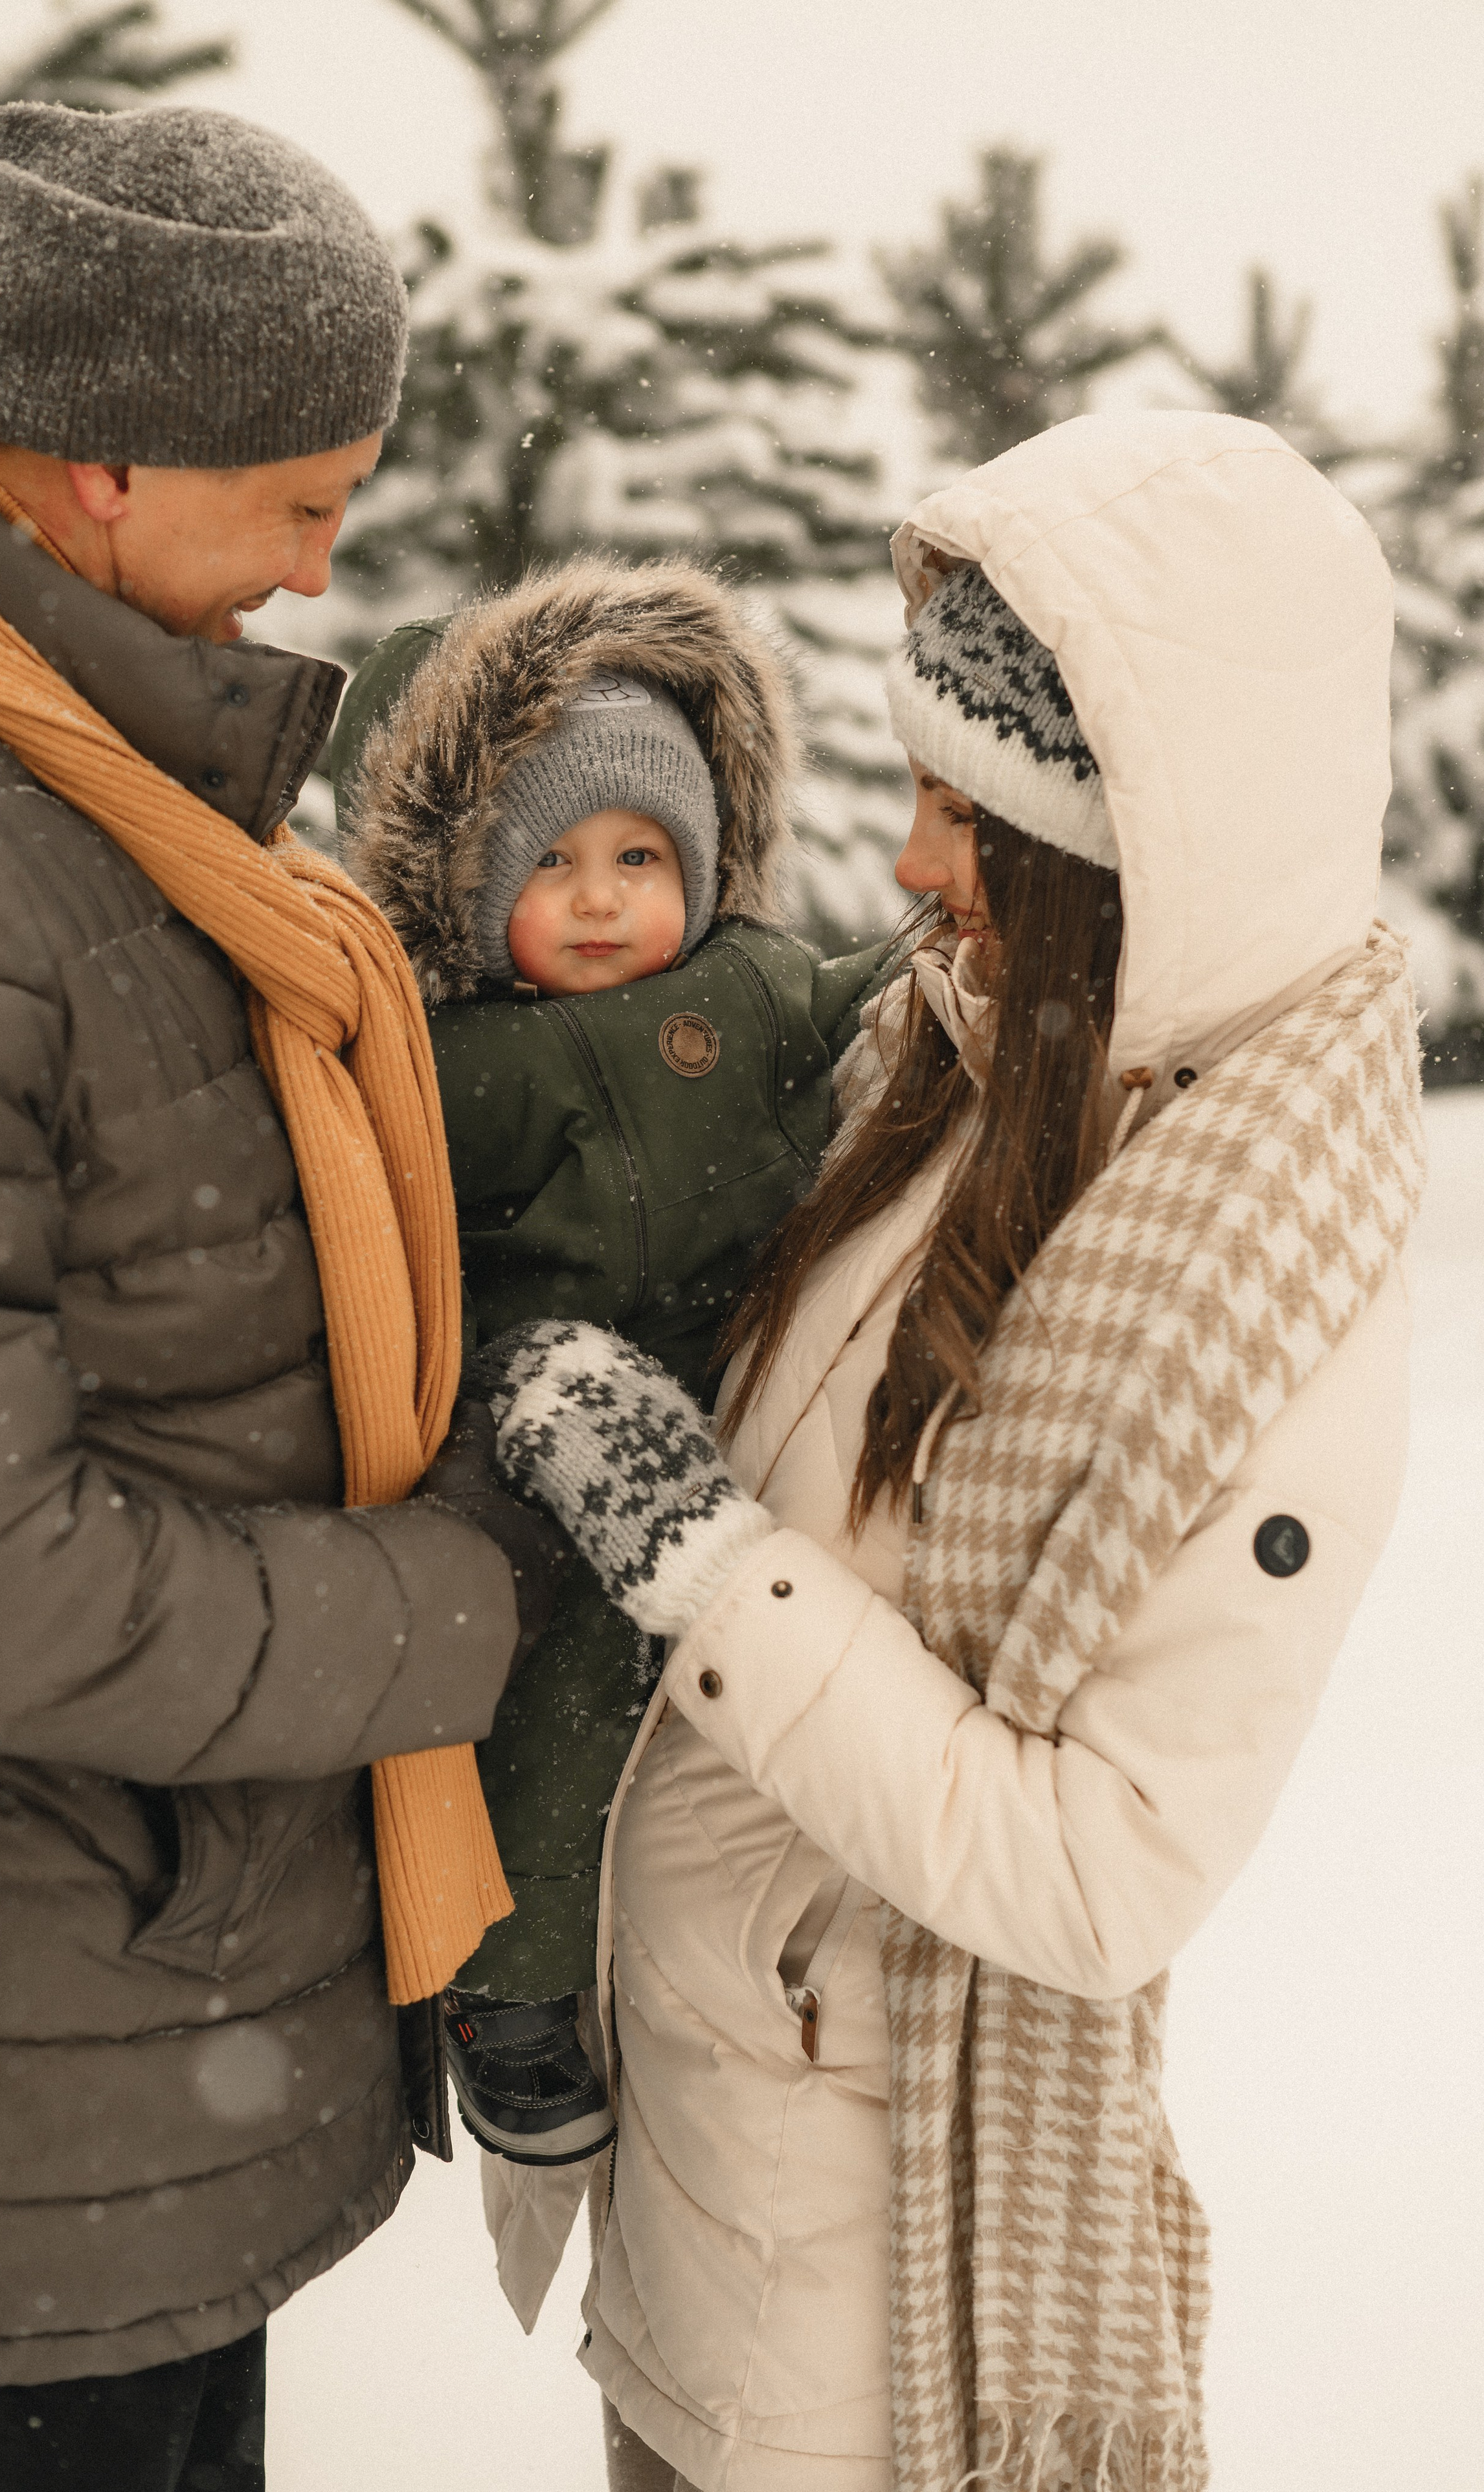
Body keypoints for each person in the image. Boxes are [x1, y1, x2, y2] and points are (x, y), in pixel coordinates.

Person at [467, 411, 1424, 2491]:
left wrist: (697, 1556)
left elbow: (1096, 1878)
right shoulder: (953, 1047)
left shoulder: (1263, 1268)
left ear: (1125, 849)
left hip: (881, 2305)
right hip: (706, 2162)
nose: (908, 865)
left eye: (961, 810)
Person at [0, 102, 567, 2489]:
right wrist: (444, 1603)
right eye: (306, 500)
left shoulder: (73, 772)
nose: (318, 569)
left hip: (92, 2058)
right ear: (113, 462)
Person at [332, 559, 892, 2166]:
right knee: (557, 1677)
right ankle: (505, 1989)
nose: (599, 898)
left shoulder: (756, 990)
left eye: (638, 857)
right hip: (533, 1422)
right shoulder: (444, 1058)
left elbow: (879, 1011)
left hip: (734, 1389)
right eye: (550, 862)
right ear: (462, 887)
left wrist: (956, 978)